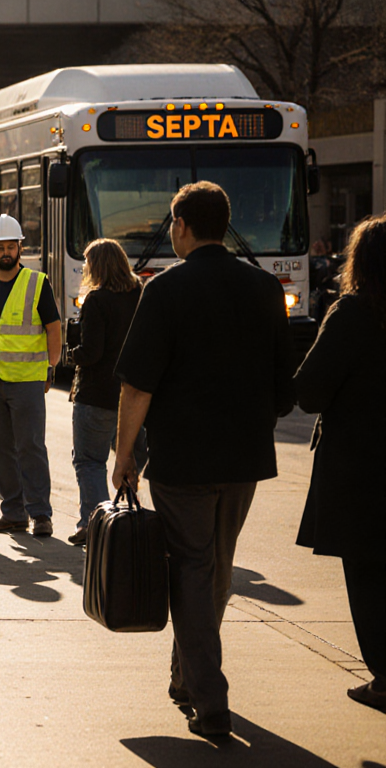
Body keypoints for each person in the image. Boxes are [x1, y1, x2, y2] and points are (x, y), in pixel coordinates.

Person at [112, 181, 296, 739]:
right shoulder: (265, 288)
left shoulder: (165, 290)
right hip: (244, 460)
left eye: (172, 223)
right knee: (214, 569)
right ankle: (187, 677)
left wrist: (123, 456)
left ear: (183, 226)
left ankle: (209, 699)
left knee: (193, 570)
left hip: (182, 459)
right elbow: (284, 389)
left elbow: (137, 386)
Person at [293, 214, 386, 714]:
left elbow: (309, 391)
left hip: (360, 470)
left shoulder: (352, 313)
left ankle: (385, 678)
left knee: (369, 577)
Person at [0, 214, 62, 537]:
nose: (5, 252)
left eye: (11, 246)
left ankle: (40, 514)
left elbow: (54, 329)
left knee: (30, 447)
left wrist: (50, 367)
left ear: (20, 248)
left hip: (26, 380)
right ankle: (13, 512)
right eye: (0, 247)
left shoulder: (37, 283)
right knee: (0, 450)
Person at [66, 238, 146, 547]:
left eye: (87, 262)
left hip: (96, 395)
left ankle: (97, 525)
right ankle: (125, 518)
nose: (84, 267)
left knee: (89, 462)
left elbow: (92, 352)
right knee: (131, 457)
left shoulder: (96, 300)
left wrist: (72, 354)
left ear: (98, 265)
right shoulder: (138, 294)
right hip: (132, 395)